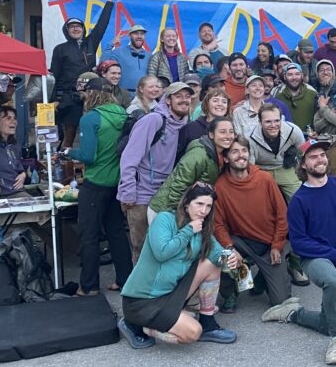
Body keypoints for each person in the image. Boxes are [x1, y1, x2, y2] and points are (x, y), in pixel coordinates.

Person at [261, 139, 336, 366]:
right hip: (316, 259)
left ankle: (292, 313)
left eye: (322, 155)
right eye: (313, 156)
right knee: (333, 281)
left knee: (326, 320)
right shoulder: (299, 200)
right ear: (303, 165)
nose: (320, 160)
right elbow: (299, 243)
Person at [118, 182, 238, 348]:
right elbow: (162, 253)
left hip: (170, 293)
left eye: (208, 206)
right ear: (187, 203)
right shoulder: (164, 219)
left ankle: (208, 324)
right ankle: (137, 325)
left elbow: (217, 254)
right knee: (192, 333)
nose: (203, 211)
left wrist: (229, 258)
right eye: (199, 204)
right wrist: (189, 230)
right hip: (143, 301)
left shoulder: (201, 227)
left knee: (212, 265)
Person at [63, 79, 132, 295]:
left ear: (91, 94)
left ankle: (89, 286)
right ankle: (125, 281)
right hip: (117, 183)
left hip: (95, 184)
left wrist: (67, 152)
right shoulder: (123, 114)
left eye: (85, 93)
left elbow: (88, 156)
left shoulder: (91, 118)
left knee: (89, 236)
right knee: (117, 234)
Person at [213, 136, 292, 312]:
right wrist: (230, 247)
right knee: (222, 251)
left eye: (244, 151)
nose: (241, 155)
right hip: (240, 242)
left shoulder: (265, 179)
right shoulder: (220, 186)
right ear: (226, 158)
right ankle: (230, 293)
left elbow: (282, 215)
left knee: (281, 302)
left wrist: (277, 245)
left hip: (268, 244)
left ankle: (264, 276)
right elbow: (218, 225)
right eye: (235, 151)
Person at [118, 82, 193, 262]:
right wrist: (128, 192)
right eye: (178, 96)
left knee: (165, 250)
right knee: (143, 250)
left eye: (187, 96)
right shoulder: (153, 120)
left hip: (166, 195)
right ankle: (138, 290)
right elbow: (129, 157)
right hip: (141, 195)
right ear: (168, 100)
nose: (184, 100)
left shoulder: (184, 124)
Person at [50, 0, 116, 146]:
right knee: (69, 135)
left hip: (91, 96)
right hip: (69, 97)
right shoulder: (60, 49)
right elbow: (54, 76)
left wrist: (110, 1)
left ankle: (88, 164)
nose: (75, 28)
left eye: (78, 26)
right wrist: (55, 99)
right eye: (71, 26)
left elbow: (102, 24)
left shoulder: (91, 43)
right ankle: (66, 167)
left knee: (91, 133)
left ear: (83, 29)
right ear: (67, 30)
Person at [150, 117, 235, 215]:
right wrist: (176, 214)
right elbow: (179, 185)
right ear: (211, 134)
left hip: (186, 209)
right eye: (223, 132)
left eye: (231, 132)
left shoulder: (220, 155)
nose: (228, 136)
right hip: (164, 210)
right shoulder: (199, 154)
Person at [247, 103, 307, 200]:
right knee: (258, 200)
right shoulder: (250, 138)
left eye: (276, 121)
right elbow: (250, 167)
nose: (273, 125)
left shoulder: (293, 130)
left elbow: (303, 152)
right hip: (261, 170)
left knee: (300, 198)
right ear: (260, 122)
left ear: (281, 119)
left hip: (284, 168)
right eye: (268, 122)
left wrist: (299, 171)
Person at [182, 87, 230, 159]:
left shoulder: (231, 130)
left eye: (224, 102)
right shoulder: (191, 128)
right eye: (215, 101)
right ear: (207, 104)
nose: (220, 104)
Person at [102, 23, 151, 92]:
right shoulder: (118, 52)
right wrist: (111, 44)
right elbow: (103, 64)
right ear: (129, 36)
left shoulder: (149, 55)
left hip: (144, 95)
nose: (139, 36)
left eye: (142, 34)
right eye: (136, 33)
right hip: (123, 95)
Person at [273, 62, 318, 130]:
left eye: (297, 74)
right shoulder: (278, 98)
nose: (294, 78)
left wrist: (316, 132)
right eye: (290, 75)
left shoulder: (313, 94)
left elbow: (319, 119)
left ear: (302, 75)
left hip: (310, 138)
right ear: (285, 77)